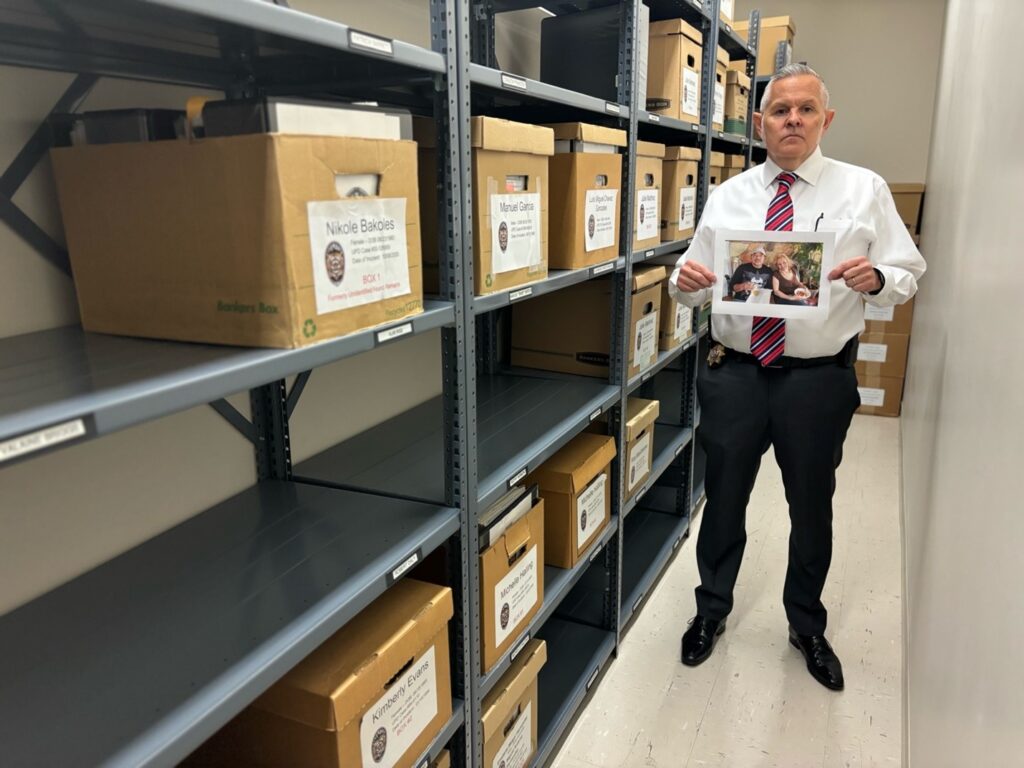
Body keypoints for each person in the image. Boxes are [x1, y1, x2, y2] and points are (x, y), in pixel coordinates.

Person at [668, 64, 925, 690]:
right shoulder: (728, 195)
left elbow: (908, 271)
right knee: (723, 498)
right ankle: (711, 611)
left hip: (816, 380)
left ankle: (806, 623)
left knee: (811, 505)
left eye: (805, 109)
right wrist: (686, 284)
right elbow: (690, 282)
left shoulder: (864, 190)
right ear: (760, 122)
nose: (792, 120)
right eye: (779, 110)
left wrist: (880, 280)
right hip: (735, 374)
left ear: (825, 120)